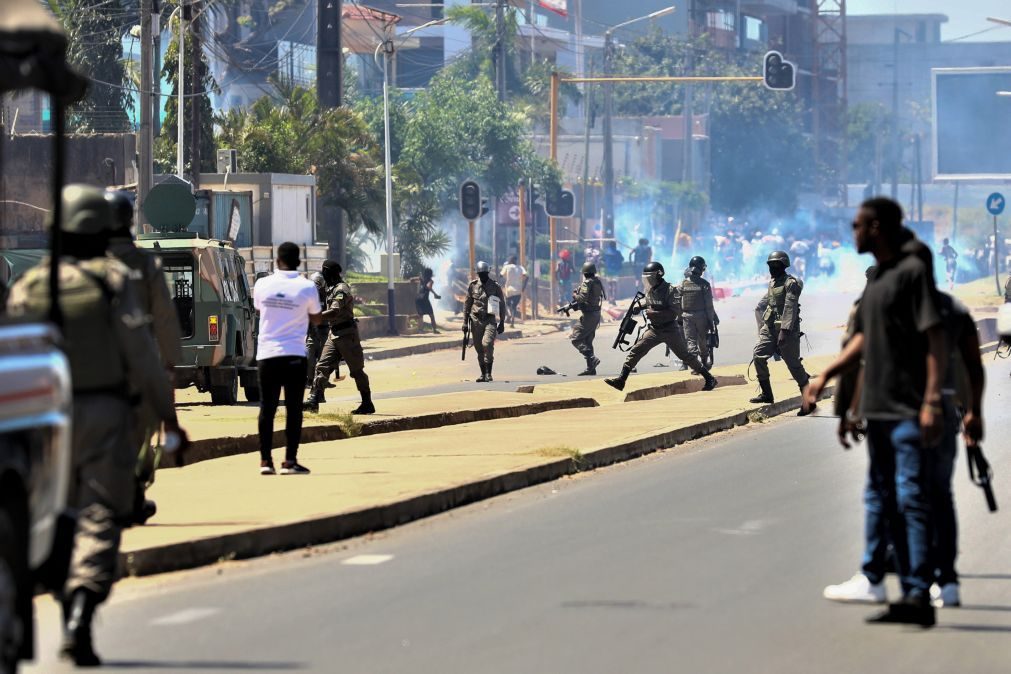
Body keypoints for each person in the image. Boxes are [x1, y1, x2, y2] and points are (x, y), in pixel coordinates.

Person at [7, 185, 183, 666]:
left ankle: (65, 603)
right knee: (100, 515)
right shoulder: (115, 278)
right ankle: (82, 609)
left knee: (59, 515)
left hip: (46, 420)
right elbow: (143, 353)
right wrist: (169, 416)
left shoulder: (31, 283)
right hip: (106, 414)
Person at [807, 198, 947, 627]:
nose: (853, 233)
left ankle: (921, 590)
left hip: (908, 407)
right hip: (880, 408)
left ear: (878, 228)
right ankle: (894, 586)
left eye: (858, 225)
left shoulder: (911, 273)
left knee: (910, 498)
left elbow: (935, 338)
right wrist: (829, 379)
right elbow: (866, 344)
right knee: (884, 497)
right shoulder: (879, 279)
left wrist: (932, 400)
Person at [105, 189, 183, 526]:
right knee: (141, 434)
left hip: (88, 369)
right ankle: (135, 494)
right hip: (137, 368)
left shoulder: (80, 265)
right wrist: (169, 365)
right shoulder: (143, 265)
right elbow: (165, 320)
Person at [253, 242, 322, 475]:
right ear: (299, 261)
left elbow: (259, 309)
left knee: (267, 408)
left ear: (276, 260)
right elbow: (316, 318)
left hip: (267, 355)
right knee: (293, 409)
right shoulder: (307, 287)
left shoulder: (262, 284)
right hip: (294, 354)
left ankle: (265, 461)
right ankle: (290, 461)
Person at [604, 262, 718, 392]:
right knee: (637, 350)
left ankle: (709, 378)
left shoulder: (670, 290)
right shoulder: (650, 290)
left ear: (658, 275)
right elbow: (649, 301)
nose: (647, 280)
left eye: (650, 277)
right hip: (654, 329)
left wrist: (654, 313)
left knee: (686, 357)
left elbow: (674, 311)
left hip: (670, 330)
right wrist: (639, 307)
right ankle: (621, 380)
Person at [305, 262, 374, 416]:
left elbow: (335, 311)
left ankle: (367, 402)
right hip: (334, 334)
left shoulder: (341, 289)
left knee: (356, 371)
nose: (323, 276)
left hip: (347, 335)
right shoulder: (330, 289)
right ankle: (314, 400)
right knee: (321, 366)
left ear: (330, 273)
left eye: (324, 273)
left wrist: (315, 317)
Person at [749, 251, 813, 413]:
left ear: (784, 265)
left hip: (787, 331)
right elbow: (765, 304)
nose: (772, 268)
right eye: (770, 265)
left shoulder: (791, 283)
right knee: (758, 355)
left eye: (776, 265)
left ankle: (808, 401)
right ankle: (767, 394)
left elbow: (790, 307)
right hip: (770, 329)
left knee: (793, 365)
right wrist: (763, 328)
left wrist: (784, 331)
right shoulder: (772, 283)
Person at [464, 261, 506, 382]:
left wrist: (502, 321)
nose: (482, 276)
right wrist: (465, 322)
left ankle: (489, 373)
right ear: (477, 274)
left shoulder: (495, 286)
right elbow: (467, 304)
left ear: (488, 272)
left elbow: (502, 304)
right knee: (479, 348)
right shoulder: (472, 286)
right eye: (480, 274)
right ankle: (483, 374)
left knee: (487, 344)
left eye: (484, 273)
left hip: (490, 320)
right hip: (475, 320)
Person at [306, 261, 342, 399]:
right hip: (313, 327)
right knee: (311, 352)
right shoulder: (311, 294)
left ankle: (322, 381)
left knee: (325, 356)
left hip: (325, 326)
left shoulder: (329, 292)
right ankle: (310, 380)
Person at [565, 262, 606, 375]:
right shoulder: (597, 282)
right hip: (596, 314)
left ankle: (591, 358)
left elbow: (582, 298)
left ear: (584, 273)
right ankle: (590, 369)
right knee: (587, 341)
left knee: (576, 338)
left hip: (588, 316)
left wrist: (574, 295)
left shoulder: (587, 283)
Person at [680, 256, 719, 371]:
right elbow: (709, 305)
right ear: (701, 269)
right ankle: (703, 362)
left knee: (690, 341)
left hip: (687, 317)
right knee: (702, 340)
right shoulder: (704, 284)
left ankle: (695, 366)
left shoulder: (683, 284)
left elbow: (677, 302)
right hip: (702, 317)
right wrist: (712, 320)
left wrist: (678, 318)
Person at [499, 255, 528, 328]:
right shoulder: (521, 267)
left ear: (510, 261)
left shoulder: (507, 267)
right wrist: (523, 287)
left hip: (509, 290)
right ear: (516, 261)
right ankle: (512, 321)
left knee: (507, 304)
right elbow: (526, 277)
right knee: (514, 306)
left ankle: (509, 314)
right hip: (518, 290)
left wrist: (502, 284)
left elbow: (500, 276)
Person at [415, 267, 442, 333]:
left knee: (420, 315)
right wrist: (435, 294)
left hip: (418, 298)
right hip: (424, 299)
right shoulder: (430, 281)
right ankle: (434, 330)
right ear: (430, 274)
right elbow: (428, 286)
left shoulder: (422, 279)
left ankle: (420, 330)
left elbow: (412, 279)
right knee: (431, 315)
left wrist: (414, 279)